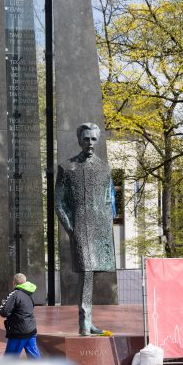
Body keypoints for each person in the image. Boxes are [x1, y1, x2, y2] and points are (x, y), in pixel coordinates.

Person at [55, 123, 115, 336]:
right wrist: (70, 229)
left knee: (93, 273)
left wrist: (108, 224)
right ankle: (84, 321)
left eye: (94, 139)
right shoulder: (67, 167)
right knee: (86, 271)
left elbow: (109, 200)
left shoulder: (105, 168)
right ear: (79, 139)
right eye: (86, 138)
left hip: (100, 226)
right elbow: (59, 203)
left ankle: (87, 321)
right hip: (80, 226)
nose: (90, 143)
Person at [0, 273, 40, 358]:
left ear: (14, 283)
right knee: (35, 359)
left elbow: (4, 312)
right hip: (31, 330)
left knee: (9, 360)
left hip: (18, 331)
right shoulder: (30, 293)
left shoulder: (15, 294)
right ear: (25, 282)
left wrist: (3, 305)